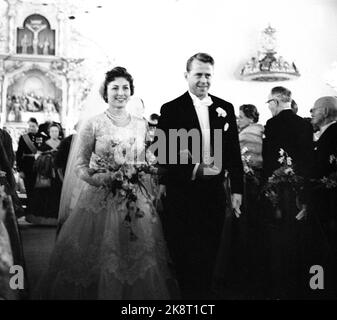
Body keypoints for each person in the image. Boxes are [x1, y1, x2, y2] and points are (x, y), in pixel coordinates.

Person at [35, 67, 177, 299]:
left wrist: (152, 167)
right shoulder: (94, 124)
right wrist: (100, 178)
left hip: (134, 198)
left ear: (131, 91)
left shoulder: (141, 124)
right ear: (106, 92)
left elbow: (145, 157)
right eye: (115, 88)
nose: (120, 93)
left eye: (125, 88)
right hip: (99, 198)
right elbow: (80, 165)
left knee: (135, 253)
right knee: (97, 256)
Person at [155, 53, 243, 299]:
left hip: (214, 193)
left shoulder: (225, 108)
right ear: (186, 76)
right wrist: (194, 169)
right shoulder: (171, 109)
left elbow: (233, 152)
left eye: (208, 75)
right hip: (182, 192)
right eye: (198, 74)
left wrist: (237, 190)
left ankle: (203, 296)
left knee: (210, 251)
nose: (203, 80)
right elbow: (162, 152)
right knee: (183, 252)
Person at [262, 86, 314, 299]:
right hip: (300, 186)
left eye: (269, 103)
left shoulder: (273, 124)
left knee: (278, 234)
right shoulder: (305, 123)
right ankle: (301, 282)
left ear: (275, 101)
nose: (269, 108)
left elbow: (268, 158)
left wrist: (266, 184)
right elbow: (309, 157)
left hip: (279, 187)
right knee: (298, 234)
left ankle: (279, 284)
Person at [309, 96, 337, 298]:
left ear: (326, 112)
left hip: (329, 202)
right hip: (326, 201)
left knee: (326, 247)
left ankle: (321, 289)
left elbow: (325, 169)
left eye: (314, 109)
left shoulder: (333, 133)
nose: (311, 113)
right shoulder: (326, 134)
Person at [27, 123, 62, 226]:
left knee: (57, 194)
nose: (54, 133)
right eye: (52, 131)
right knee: (44, 194)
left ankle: (56, 218)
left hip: (59, 173)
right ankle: (42, 218)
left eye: (56, 131)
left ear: (59, 132)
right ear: (49, 132)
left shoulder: (62, 143)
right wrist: (47, 156)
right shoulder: (44, 144)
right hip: (46, 173)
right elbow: (36, 157)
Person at [16, 118, 45, 217]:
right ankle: (30, 213)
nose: (31, 128)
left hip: (40, 168)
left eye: (33, 126)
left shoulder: (43, 137)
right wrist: (20, 170)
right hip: (27, 167)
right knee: (29, 189)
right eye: (30, 126)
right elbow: (19, 154)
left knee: (39, 191)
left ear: (37, 126)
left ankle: (38, 212)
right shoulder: (23, 138)